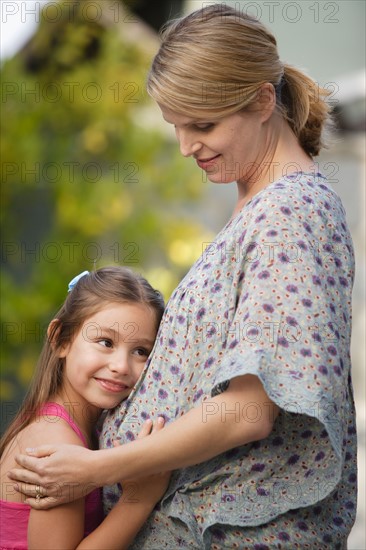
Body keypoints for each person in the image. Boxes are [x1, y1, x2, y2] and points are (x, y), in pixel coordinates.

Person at [8, 5, 357, 549]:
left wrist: (97, 469)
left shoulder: (290, 213)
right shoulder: (256, 210)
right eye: (177, 125)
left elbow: (251, 411)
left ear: (264, 100)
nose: (186, 145)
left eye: (203, 124)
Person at [0, 266, 169, 549]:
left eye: (141, 351)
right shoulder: (54, 439)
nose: (121, 366)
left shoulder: (82, 427)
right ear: (61, 339)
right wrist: (138, 499)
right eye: (105, 342)